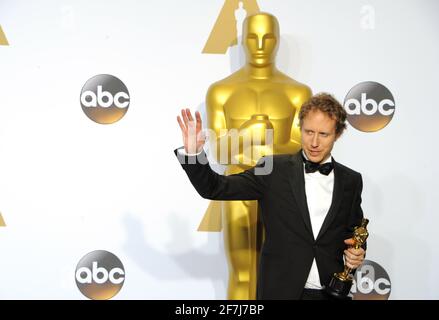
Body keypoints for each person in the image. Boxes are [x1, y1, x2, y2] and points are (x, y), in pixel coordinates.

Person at [175, 93, 366, 300]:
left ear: (337, 134)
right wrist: (194, 155)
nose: (314, 142)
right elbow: (215, 188)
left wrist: (358, 253)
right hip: (279, 292)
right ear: (300, 128)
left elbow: (356, 233)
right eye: (309, 132)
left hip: (332, 292)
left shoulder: (351, 180)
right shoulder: (272, 168)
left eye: (324, 134)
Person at [200, 12, 312, 300]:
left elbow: (306, 150)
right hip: (239, 186)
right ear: (243, 41)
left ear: (277, 41)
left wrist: (268, 138)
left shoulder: (298, 93)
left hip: (283, 189)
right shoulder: (222, 91)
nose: (260, 45)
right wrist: (249, 133)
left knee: (282, 272)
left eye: (268, 37)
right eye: (253, 37)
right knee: (243, 272)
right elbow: (218, 151)